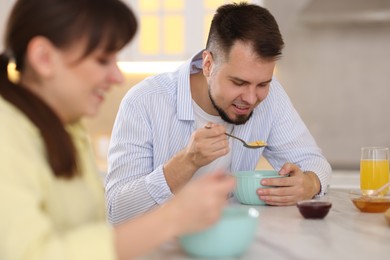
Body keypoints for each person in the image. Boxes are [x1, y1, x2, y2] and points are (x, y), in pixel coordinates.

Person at [0, 0, 236, 259]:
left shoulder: (68, 127)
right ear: (44, 58)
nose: (117, 77)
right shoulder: (6, 135)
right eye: (103, 60)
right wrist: (173, 217)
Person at [106, 2, 332, 224]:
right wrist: (187, 161)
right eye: (239, 82)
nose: (252, 98)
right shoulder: (145, 101)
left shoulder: (271, 98)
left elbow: (312, 161)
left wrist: (310, 183)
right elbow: (118, 211)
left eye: (262, 84)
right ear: (207, 64)